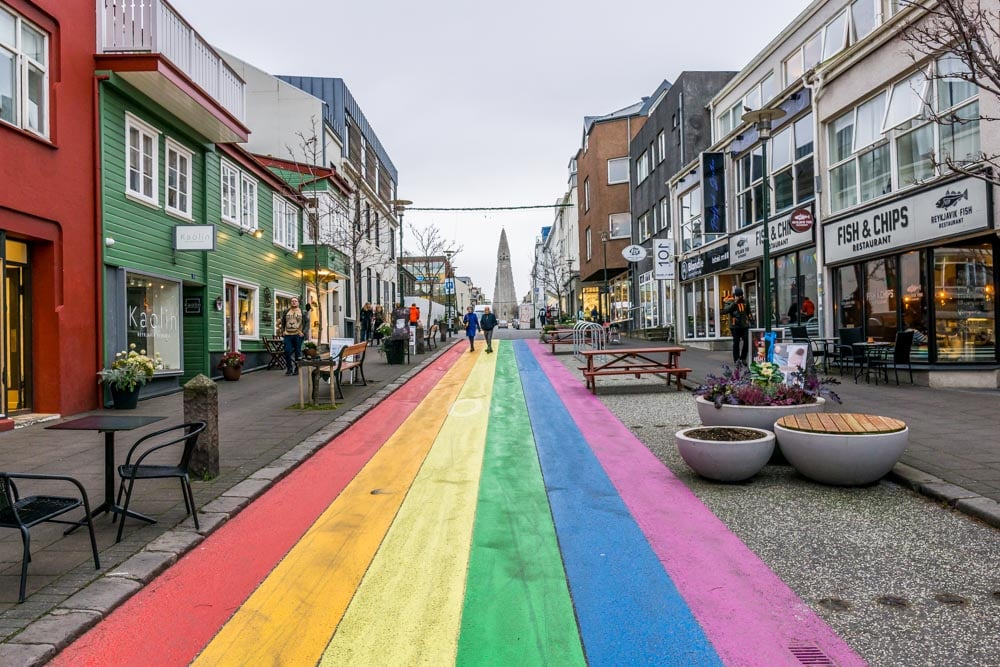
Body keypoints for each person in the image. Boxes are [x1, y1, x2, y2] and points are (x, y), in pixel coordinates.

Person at [722, 288, 753, 366]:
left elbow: (748, 312)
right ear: (735, 295)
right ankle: (736, 360)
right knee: (736, 343)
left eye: (741, 295)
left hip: (744, 325)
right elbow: (726, 311)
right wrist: (735, 302)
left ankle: (743, 358)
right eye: (738, 296)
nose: (740, 297)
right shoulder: (729, 301)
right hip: (734, 326)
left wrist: (752, 322)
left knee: (747, 342)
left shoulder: (745, 301)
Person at [280, 297, 304, 375]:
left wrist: (303, 332)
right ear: (291, 303)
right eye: (292, 301)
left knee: (297, 352)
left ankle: (297, 368)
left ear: (298, 303)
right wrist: (283, 331)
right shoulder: (286, 311)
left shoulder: (302, 312)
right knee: (287, 351)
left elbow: (307, 323)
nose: (294, 302)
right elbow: (283, 321)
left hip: (298, 335)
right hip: (288, 335)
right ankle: (289, 368)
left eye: (295, 301)